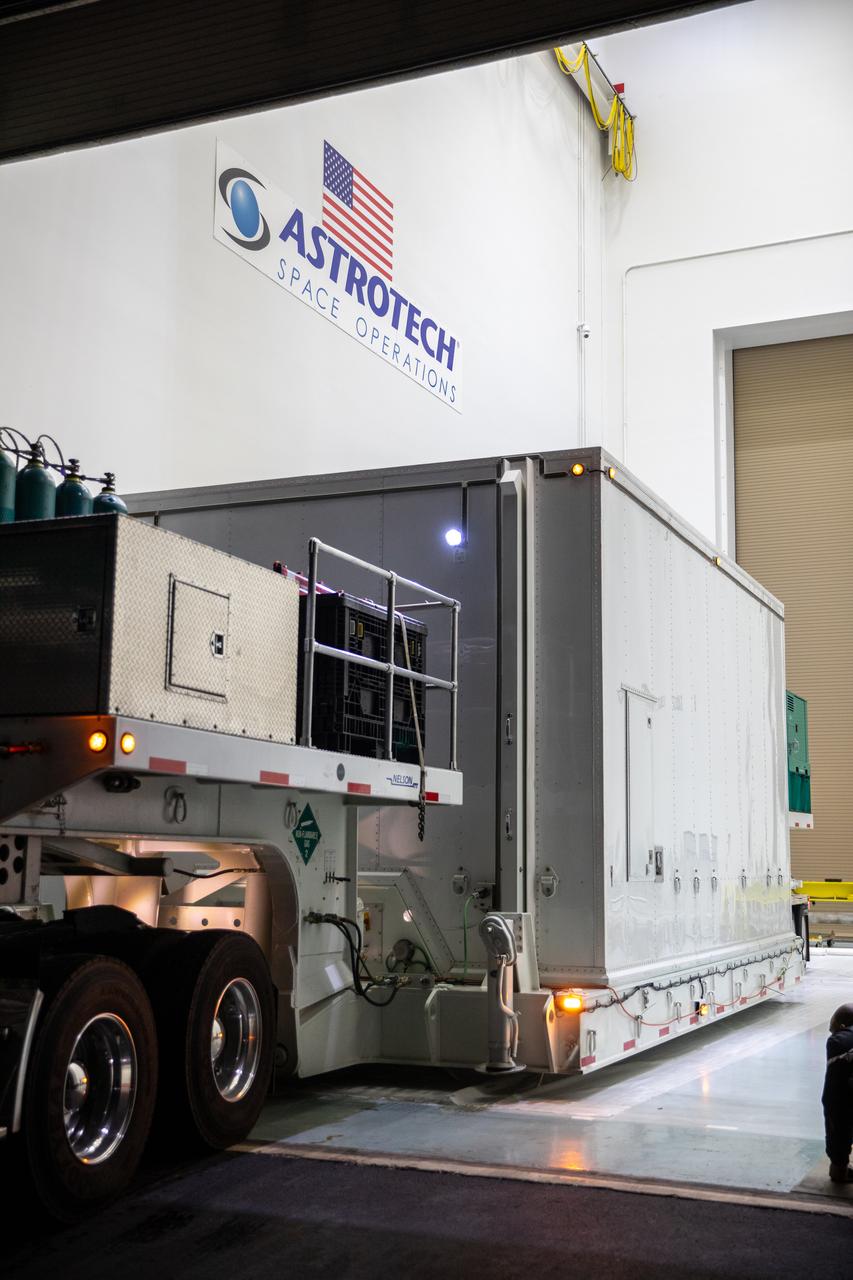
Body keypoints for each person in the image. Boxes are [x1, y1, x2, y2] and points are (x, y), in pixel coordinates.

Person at [822, 1002, 853, 1183]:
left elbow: (835, 1090)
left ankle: (840, 1169)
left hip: (841, 1101)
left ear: (842, 1026)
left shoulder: (838, 1042)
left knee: (838, 1136)